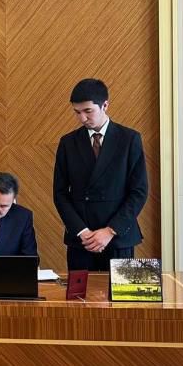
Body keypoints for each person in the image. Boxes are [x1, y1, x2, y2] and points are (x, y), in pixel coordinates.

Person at [53, 78, 148, 271]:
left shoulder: (129, 139)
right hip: (82, 240)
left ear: (105, 105)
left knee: (120, 292)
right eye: (77, 112)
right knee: (81, 291)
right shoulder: (68, 143)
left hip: (119, 237)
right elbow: (60, 193)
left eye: (88, 111)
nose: (82, 118)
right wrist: (82, 231)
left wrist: (110, 230)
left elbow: (138, 192)